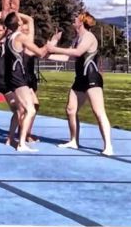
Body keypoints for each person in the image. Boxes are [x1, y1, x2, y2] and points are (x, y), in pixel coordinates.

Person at [47, 12, 114, 156]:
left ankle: (108, 145)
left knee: (98, 111)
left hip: (91, 77)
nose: (73, 20)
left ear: (82, 22)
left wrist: (54, 48)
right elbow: (67, 57)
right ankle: (73, 141)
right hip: (80, 78)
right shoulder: (77, 38)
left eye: (76, 18)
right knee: (71, 110)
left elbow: (78, 52)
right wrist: (46, 54)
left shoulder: (89, 37)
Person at [2, 11, 48, 152]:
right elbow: (40, 53)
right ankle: (21, 143)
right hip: (18, 78)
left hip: (11, 77)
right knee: (31, 110)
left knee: (20, 110)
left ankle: (10, 139)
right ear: (20, 23)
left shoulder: (9, 37)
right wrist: (50, 44)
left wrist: (15, 12)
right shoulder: (21, 37)